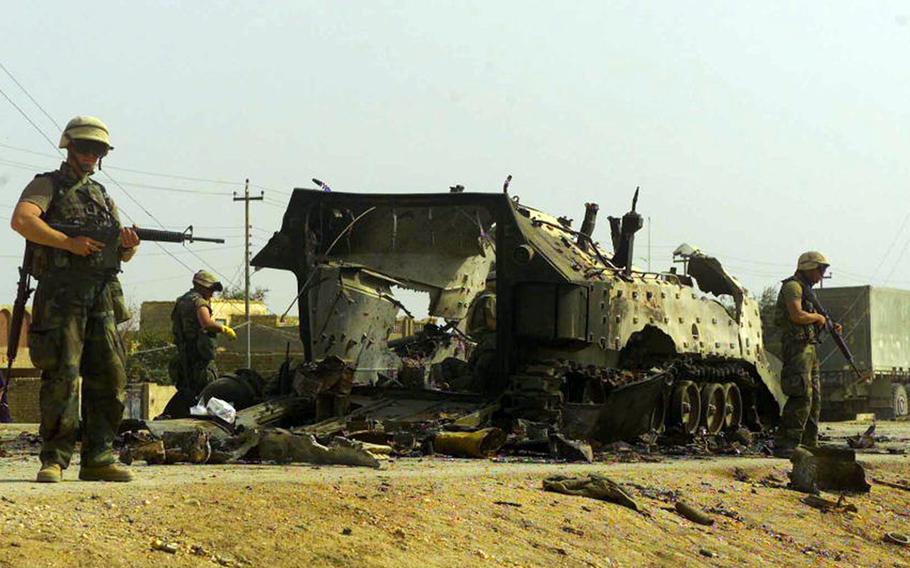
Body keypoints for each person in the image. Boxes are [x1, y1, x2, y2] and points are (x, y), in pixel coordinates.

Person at [11, 116, 139, 483]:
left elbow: (118, 252)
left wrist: (128, 246)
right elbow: (22, 221)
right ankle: (54, 459)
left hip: (101, 297)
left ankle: (98, 455)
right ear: (69, 147)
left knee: (110, 377)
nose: (90, 156)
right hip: (62, 297)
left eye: (97, 150)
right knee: (62, 377)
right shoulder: (47, 185)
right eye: (84, 148)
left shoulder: (101, 197)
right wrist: (68, 243)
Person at [773, 251, 840, 458]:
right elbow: (797, 315)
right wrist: (818, 318)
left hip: (809, 347)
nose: (822, 275)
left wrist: (829, 325)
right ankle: (787, 445)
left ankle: (809, 444)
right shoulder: (793, 287)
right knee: (801, 395)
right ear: (809, 268)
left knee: (815, 399)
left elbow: (811, 318)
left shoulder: (807, 290)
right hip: (797, 348)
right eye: (820, 270)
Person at [161, 270, 236, 418]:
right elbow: (206, 323)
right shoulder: (199, 302)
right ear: (202, 287)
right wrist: (224, 328)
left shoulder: (182, 301)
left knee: (187, 391)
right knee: (209, 391)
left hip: (184, 355)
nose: (212, 294)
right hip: (199, 357)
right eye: (210, 290)